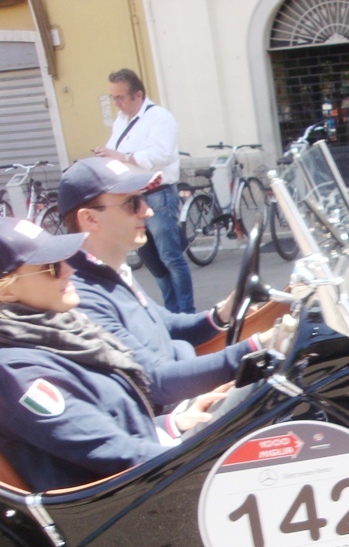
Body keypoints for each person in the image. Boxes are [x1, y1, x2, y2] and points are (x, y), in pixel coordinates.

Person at [0, 218, 223, 490]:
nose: (69, 269)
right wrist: (219, 456)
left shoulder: (62, 333)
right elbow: (115, 453)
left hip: (147, 474)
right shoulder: (17, 373)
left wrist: (171, 424)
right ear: (7, 289)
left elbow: (103, 422)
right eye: (52, 267)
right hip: (130, 500)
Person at [58, 156, 272, 409]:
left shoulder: (111, 269)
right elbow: (153, 380)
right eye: (132, 203)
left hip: (181, 394)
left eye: (143, 199)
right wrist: (260, 345)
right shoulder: (79, 297)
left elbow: (165, 325)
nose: (147, 211)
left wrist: (222, 314)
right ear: (90, 219)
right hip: (168, 416)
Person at [93, 68, 196, 311]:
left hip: (158, 195)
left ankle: (186, 312)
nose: (116, 104)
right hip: (133, 196)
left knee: (170, 258)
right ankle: (171, 311)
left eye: (121, 98)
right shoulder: (122, 120)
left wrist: (124, 156)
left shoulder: (159, 118)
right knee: (151, 260)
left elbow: (162, 155)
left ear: (138, 95)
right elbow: (115, 149)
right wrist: (105, 155)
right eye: (113, 98)